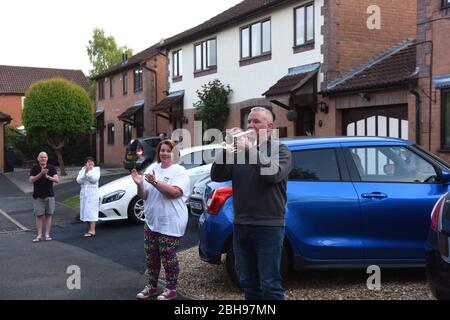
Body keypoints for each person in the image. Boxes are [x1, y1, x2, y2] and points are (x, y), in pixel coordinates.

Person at [211, 107, 292, 300]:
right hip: (241, 225)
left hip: (268, 226)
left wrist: (249, 149)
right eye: (248, 121)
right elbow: (217, 175)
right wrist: (224, 150)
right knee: (248, 282)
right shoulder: (238, 152)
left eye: (256, 122)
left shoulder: (281, 150)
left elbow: (271, 175)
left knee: (270, 283)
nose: (250, 125)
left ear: (269, 127)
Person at [131, 139, 190, 300]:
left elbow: (175, 193)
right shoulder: (152, 168)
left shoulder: (179, 171)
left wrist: (155, 182)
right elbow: (144, 195)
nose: (164, 153)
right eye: (162, 150)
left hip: (171, 222)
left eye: (168, 150)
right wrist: (139, 185)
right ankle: (152, 286)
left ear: (174, 153)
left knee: (168, 257)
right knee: (151, 256)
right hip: (152, 221)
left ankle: (171, 289)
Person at [29, 152, 59, 242]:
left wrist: (47, 176)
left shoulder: (51, 168)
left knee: (49, 215)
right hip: (38, 196)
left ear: (47, 158)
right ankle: (39, 235)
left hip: (49, 195)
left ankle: (47, 234)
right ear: (38, 158)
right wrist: (41, 174)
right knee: (39, 215)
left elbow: (57, 180)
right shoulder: (34, 168)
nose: (43, 158)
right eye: (41, 157)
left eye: (45, 157)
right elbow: (31, 180)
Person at [76, 157, 101, 237]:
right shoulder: (82, 170)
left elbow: (94, 180)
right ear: (85, 163)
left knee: (92, 211)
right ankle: (89, 228)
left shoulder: (96, 170)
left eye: (91, 162)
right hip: (84, 194)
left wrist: (88, 173)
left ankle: (92, 230)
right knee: (85, 211)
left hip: (92, 194)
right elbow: (79, 180)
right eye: (88, 162)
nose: (90, 163)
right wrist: (85, 172)